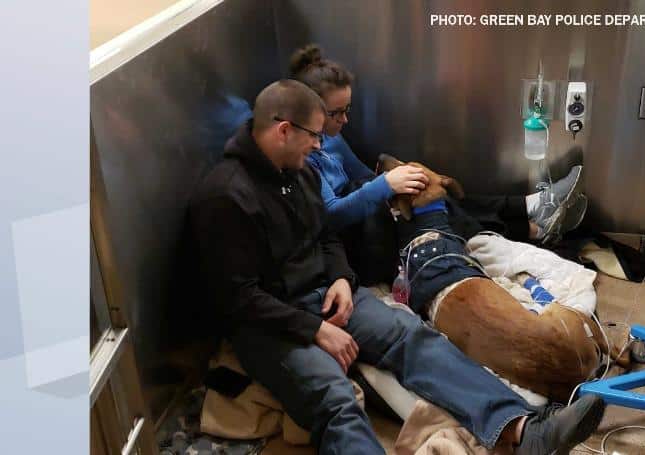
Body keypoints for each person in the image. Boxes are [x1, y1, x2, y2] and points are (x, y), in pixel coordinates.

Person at [187, 79, 605, 454]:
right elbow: (238, 299)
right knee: (337, 400)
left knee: (412, 337)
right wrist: (314, 330)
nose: (319, 145)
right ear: (283, 131)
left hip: (325, 296)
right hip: (269, 323)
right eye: (314, 135)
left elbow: (326, 234)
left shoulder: (297, 173)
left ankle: (521, 428)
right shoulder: (226, 197)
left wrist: (340, 278)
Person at [291, 44, 584, 284]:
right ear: (309, 111)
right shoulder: (302, 157)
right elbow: (332, 216)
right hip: (357, 245)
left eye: (348, 110)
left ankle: (530, 215)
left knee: (430, 190)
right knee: (437, 202)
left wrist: (398, 182)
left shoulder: (331, 138)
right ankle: (531, 216)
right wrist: (385, 186)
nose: (345, 120)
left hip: (371, 217)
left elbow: (365, 175)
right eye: (336, 114)